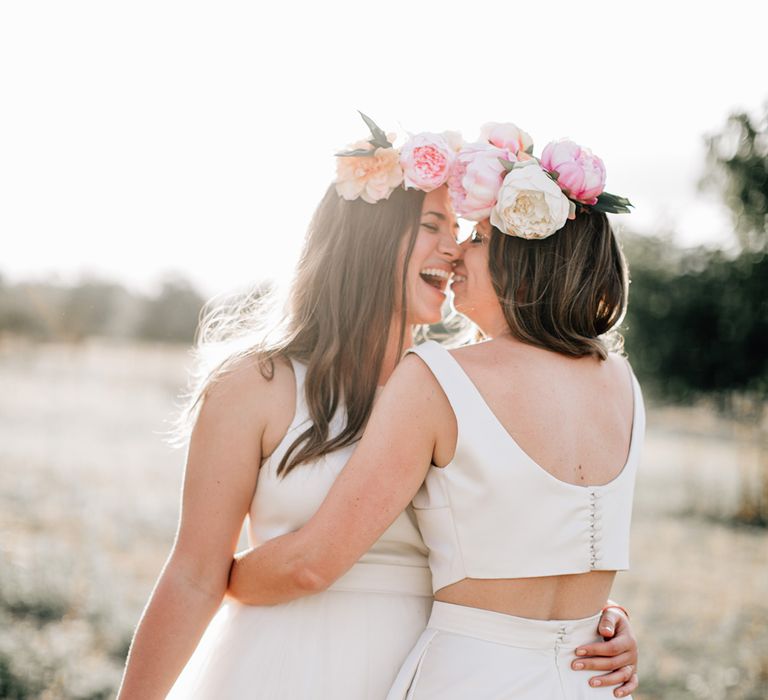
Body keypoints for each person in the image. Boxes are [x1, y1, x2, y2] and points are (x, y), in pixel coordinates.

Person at [117, 118, 639, 699]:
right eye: (434, 225)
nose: (453, 247)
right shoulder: (255, 384)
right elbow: (192, 574)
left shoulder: (460, 391)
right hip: (292, 668)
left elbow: (513, 543)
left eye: (465, 230)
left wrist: (593, 622)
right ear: (367, 238)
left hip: (435, 672)